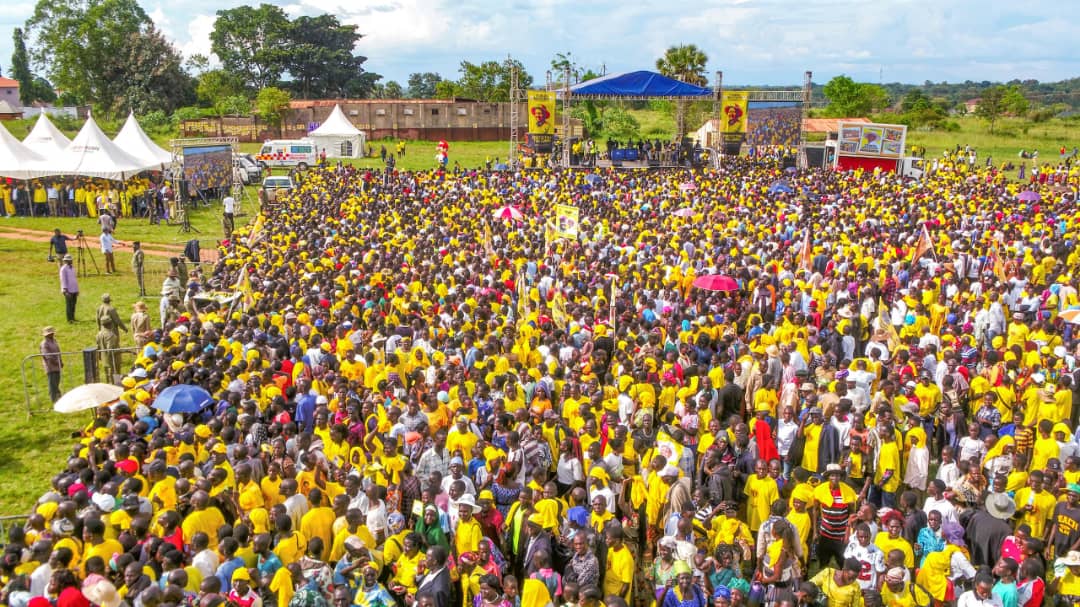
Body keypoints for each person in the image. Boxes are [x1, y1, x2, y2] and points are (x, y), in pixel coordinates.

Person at [39, 326, 63, 403]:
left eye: (52, 333)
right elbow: (47, 356)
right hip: (50, 367)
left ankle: (58, 398)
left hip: (57, 366)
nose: (51, 334)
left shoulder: (54, 341)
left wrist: (61, 361)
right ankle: (54, 400)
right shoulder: (44, 344)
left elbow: (58, 352)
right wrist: (57, 362)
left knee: (57, 383)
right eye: (49, 333)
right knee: (53, 385)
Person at [59, 254, 78, 323]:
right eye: (70, 260)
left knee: (73, 305)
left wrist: (77, 289)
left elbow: (74, 279)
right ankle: (69, 319)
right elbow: (63, 280)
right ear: (66, 261)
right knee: (69, 305)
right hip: (68, 290)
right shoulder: (63, 269)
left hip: (74, 289)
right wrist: (65, 290)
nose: (71, 261)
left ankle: (73, 317)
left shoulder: (72, 268)